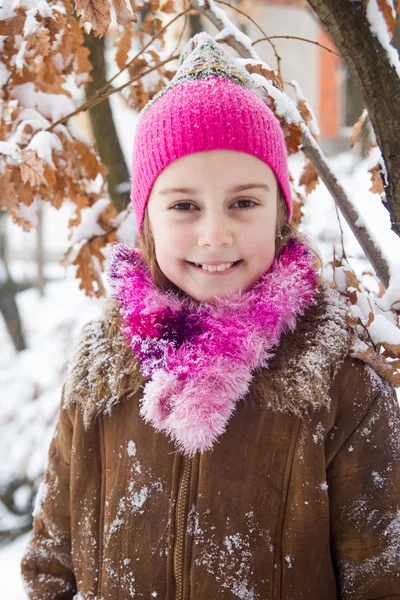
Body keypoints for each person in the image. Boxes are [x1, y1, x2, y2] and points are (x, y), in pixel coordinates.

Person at [20, 32, 400, 600]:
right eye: (184, 206)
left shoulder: (339, 384)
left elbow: (382, 579)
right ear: (147, 219)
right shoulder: (102, 373)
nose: (215, 235)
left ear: (279, 214)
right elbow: (52, 563)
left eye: (244, 202)